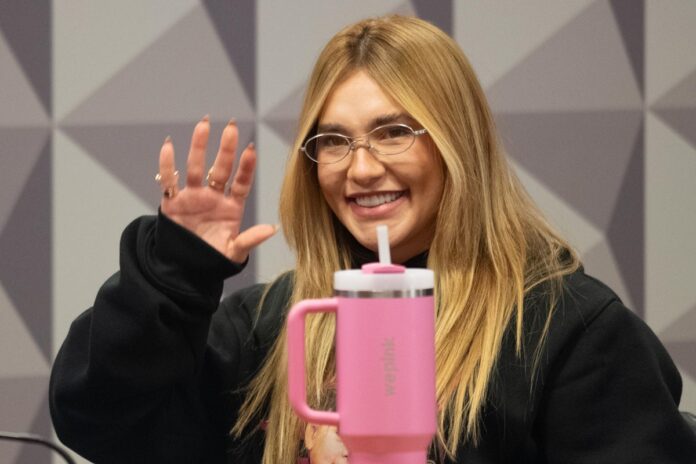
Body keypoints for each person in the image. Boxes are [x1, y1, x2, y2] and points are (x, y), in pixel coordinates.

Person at [49, 15, 696, 464]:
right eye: (333, 141)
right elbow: (102, 422)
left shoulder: (571, 331)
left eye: (393, 133)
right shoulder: (268, 327)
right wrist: (176, 271)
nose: (360, 169)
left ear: (457, 143)